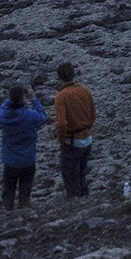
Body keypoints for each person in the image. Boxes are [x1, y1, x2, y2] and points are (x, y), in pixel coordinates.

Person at [0, 83, 49, 210]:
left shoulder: (4, 117)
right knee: (25, 189)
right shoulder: (30, 116)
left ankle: (8, 213)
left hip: (11, 161)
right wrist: (33, 99)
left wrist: (8, 101)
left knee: (8, 190)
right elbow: (43, 117)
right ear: (23, 98)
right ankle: (24, 211)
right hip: (28, 159)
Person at [52, 61, 97, 196]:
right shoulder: (85, 90)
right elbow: (93, 114)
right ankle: (86, 202)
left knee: (71, 179)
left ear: (59, 77)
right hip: (87, 139)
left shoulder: (61, 96)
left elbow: (61, 123)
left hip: (72, 142)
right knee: (82, 175)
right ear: (74, 74)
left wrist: (61, 139)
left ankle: (75, 206)